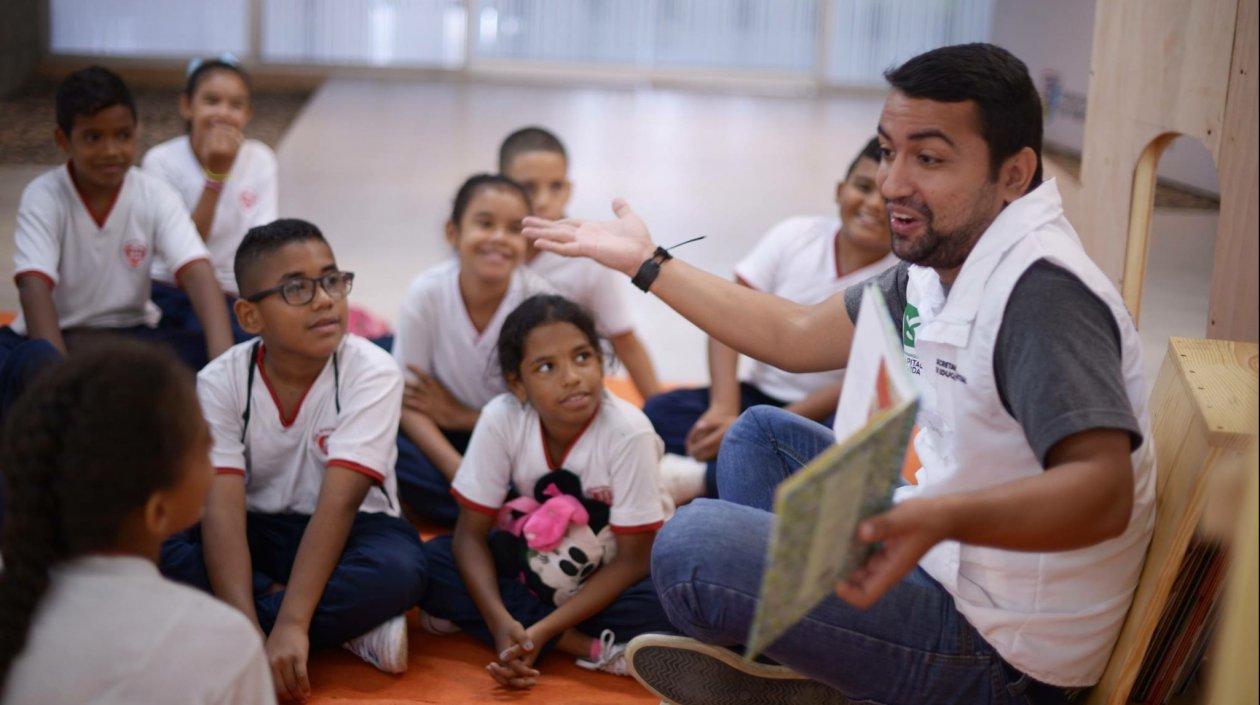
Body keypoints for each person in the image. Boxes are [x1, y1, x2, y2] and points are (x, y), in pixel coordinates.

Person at [525, 43, 1155, 705]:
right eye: (889, 151)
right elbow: (792, 334)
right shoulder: (946, 259)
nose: (892, 183)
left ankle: (817, 672)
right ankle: (817, 668)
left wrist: (941, 517)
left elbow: (1103, 492)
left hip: (1001, 657)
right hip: (942, 558)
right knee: (758, 436)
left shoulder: (1041, 293)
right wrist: (646, 262)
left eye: (930, 158)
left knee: (691, 544)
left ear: (1013, 173)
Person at [160, 219, 427, 703]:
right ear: (249, 315)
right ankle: (343, 631)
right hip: (254, 527)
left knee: (403, 570)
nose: (325, 299)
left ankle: (253, 626)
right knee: (156, 547)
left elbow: (338, 507)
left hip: (350, 530)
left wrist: (293, 622)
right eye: (296, 289)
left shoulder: (373, 372)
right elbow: (222, 510)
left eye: (331, 280)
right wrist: (248, 629)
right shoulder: (220, 381)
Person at [419, 294, 676, 690]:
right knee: (431, 561)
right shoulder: (501, 418)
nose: (572, 377)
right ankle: (584, 646)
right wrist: (499, 622)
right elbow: (469, 536)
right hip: (535, 566)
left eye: (582, 357)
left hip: (616, 577)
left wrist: (538, 631)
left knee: (670, 606)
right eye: (545, 367)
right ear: (517, 383)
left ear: (601, 360)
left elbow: (633, 561)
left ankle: (541, 636)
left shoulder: (630, 432)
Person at [0, 341, 276, 705]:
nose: (214, 462)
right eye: (204, 447)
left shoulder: (16, 607)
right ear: (158, 512)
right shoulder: (224, 645)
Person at [643, 136, 896, 498]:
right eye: (863, 187)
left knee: (834, 462)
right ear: (840, 190)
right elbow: (726, 315)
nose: (873, 203)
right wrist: (723, 409)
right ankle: (719, 473)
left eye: (888, 197)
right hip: (755, 396)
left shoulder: (901, 278)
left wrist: (757, 428)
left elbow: (867, 379)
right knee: (658, 413)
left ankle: (701, 480)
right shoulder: (795, 235)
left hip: (824, 412)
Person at [3, 65, 233, 371]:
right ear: (63, 140)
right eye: (93, 137)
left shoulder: (154, 193)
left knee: (217, 350)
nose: (111, 150)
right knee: (25, 364)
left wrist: (225, 368)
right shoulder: (44, 195)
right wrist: (57, 381)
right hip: (59, 336)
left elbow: (198, 273)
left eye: (123, 135)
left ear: (137, 132)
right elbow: (33, 288)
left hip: (131, 336)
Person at [392, 174, 555, 526]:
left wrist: (462, 415)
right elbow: (409, 405)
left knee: (557, 472)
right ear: (453, 233)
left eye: (513, 229)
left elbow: (549, 412)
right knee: (386, 452)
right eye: (484, 223)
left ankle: (496, 515)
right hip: (443, 439)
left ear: (528, 243)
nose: (498, 237)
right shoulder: (427, 294)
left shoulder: (539, 303)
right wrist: (463, 476)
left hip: (514, 438)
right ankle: (497, 515)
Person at [499, 127, 661, 400]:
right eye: (528, 187)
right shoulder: (486, 250)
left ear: (569, 189)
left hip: (557, 400)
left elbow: (625, 340)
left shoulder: (587, 259)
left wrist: (660, 410)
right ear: (501, 186)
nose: (542, 200)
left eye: (556, 186)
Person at [145, 55, 278, 342]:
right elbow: (184, 249)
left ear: (248, 114)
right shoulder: (161, 162)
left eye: (236, 105)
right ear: (187, 106)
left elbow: (263, 241)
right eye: (212, 101)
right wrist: (215, 177)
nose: (223, 113)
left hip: (234, 293)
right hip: (172, 290)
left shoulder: (260, 159)